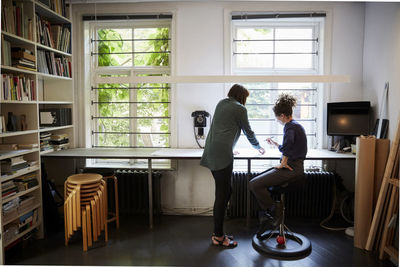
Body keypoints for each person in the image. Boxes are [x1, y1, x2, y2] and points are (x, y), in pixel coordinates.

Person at [200, 84, 265, 248]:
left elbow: (221, 129)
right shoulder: (240, 109)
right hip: (222, 155)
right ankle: (218, 237)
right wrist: (258, 147)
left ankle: (219, 232)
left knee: (225, 192)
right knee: (222, 195)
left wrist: (229, 148)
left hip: (213, 151)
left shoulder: (222, 103)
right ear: (242, 97)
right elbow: (247, 131)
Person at [249, 93, 307, 233]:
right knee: (258, 180)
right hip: (295, 166)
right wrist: (276, 144)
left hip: (292, 168)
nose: (277, 120)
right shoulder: (295, 125)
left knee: (254, 184)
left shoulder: (289, 127)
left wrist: (283, 163)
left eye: (277, 117)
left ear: (282, 115)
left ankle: (273, 215)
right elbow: (288, 146)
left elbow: (288, 145)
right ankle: (271, 214)